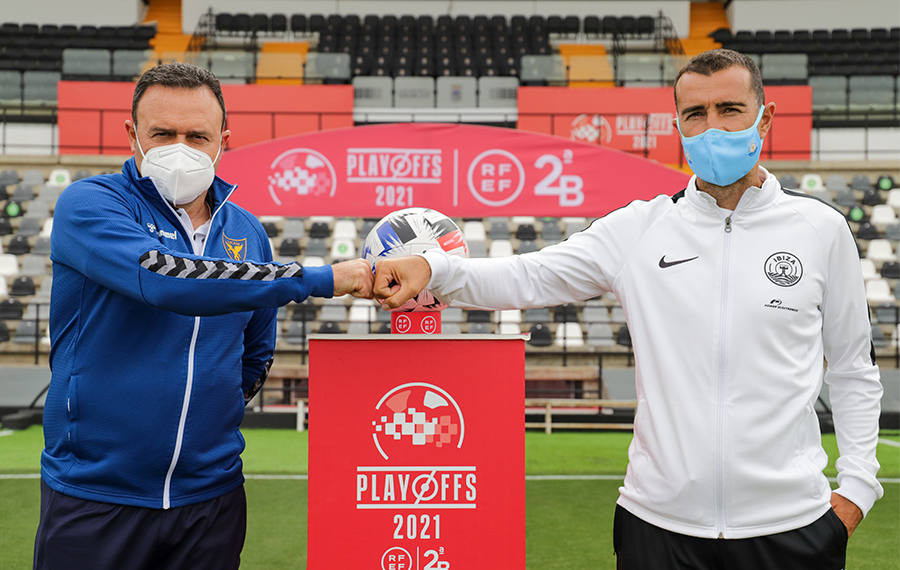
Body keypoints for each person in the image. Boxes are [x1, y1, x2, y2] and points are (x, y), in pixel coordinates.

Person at [374, 49, 883, 569]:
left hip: (792, 528)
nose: (712, 129)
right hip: (657, 526)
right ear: (678, 127)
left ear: (764, 117)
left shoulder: (821, 229)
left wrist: (858, 490)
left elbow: (851, 369)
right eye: (695, 115)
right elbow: (528, 275)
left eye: (729, 110)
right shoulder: (639, 228)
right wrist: (435, 269)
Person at [34, 62, 373, 569]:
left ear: (223, 141)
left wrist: (213, 416)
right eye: (163, 134)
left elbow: (256, 349)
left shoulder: (247, 231)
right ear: (132, 136)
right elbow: (166, 279)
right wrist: (323, 278)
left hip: (211, 501)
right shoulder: (91, 204)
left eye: (197, 136)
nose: (180, 149)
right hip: (94, 496)